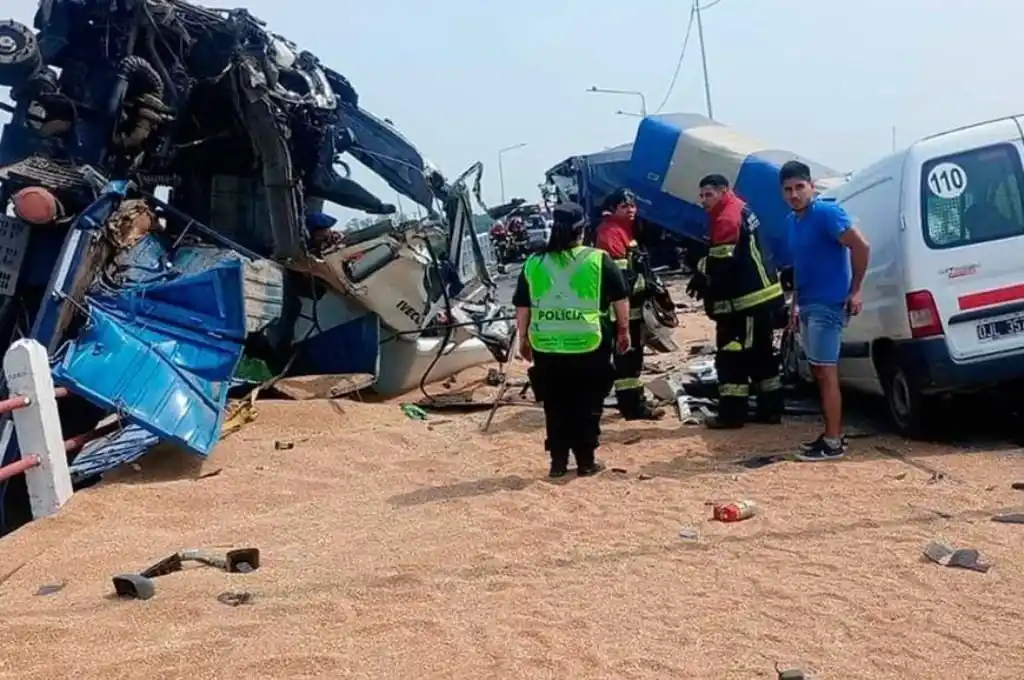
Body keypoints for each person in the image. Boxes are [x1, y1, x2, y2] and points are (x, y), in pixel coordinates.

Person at [513, 202, 631, 478]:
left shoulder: (534, 263)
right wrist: (623, 331)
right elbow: (620, 298)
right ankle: (586, 462)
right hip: (589, 342)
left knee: (555, 406)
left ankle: (558, 463)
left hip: (547, 344)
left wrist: (523, 339)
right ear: (582, 230)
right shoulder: (598, 259)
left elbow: (523, 306)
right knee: (588, 404)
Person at [779, 160, 871, 461]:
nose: (794, 194)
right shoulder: (793, 221)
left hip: (828, 304)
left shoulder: (826, 213)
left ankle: (833, 442)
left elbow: (861, 247)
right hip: (808, 304)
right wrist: (794, 304)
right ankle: (831, 433)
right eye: (788, 190)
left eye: (799, 188)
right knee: (818, 370)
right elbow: (801, 266)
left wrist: (855, 289)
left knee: (827, 372)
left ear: (811, 186)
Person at [690, 174, 785, 429]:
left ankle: (733, 414)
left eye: (708, 194)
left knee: (734, 358)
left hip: (746, 304)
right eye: (702, 195)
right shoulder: (739, 208)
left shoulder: (727, 217)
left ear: (723, 191)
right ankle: (770, 408)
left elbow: (722, 262)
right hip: (759, 300)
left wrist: (700, 270)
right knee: (761, 354)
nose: (703, 201)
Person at [594, 188, 664, 420]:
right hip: (621, 311)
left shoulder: (625, 231)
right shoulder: (610, 233)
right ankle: (632, 407)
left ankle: (635, 401)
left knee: (634, 359)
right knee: (627, 360)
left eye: (632, 205)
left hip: (632, 308)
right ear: (613, 209)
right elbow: (619, 279)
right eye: (625, 206)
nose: (631, 210)